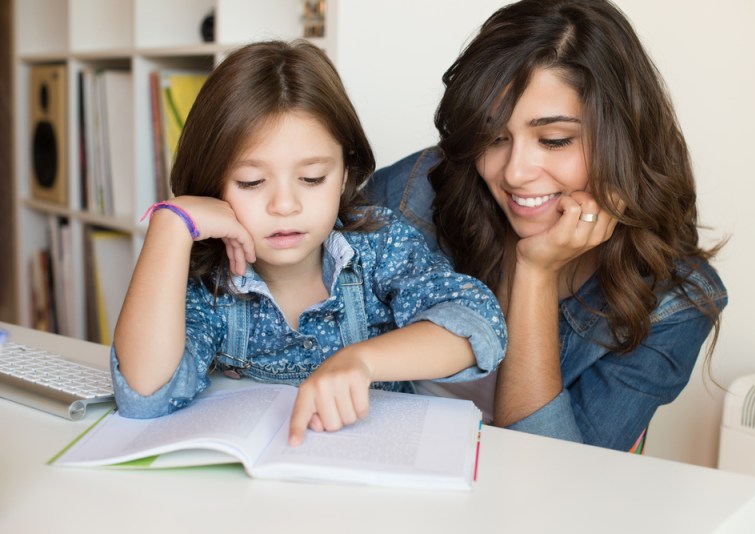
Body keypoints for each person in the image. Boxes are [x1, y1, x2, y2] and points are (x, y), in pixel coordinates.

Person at [367, 0, 727, 452]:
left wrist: (535, 274)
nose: (515, 172)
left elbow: (553, 476)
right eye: (494, 137)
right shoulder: (417, 194)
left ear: (623, 139)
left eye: (553, 140)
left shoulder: (673, 304)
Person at [111, 40, 507, 446]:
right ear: (212, 184)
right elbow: (144, 394)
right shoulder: (211, 284)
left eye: (313, 178)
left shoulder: (377, 244)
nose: (285, 205)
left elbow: (479, 326)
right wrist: (170, 223)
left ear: (345, 171)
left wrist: (361, 360)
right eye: (251, 182)